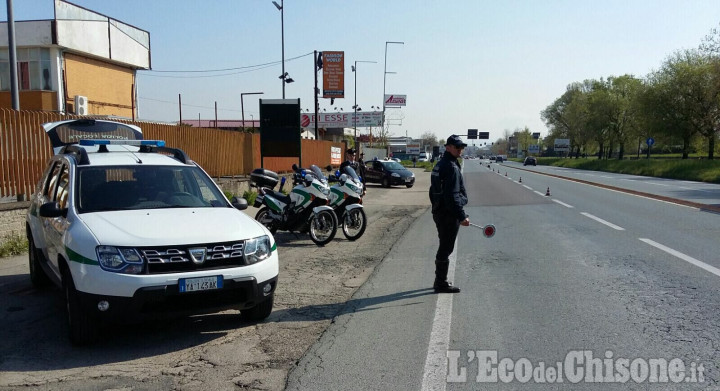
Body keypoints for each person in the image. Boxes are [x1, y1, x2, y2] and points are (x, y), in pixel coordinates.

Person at [428, 135, 470, 293]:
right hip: (447, 214)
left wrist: (436, 207)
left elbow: (433, 191)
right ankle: (440, 283)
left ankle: (440, 281)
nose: (460, 150)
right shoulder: (450, 167)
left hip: (440, 211)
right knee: (446, 248)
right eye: (457, 147)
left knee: (444, 246)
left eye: (461, 147)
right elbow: (452, 196)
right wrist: (462, 216)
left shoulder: (442, 164)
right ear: (448, 147)